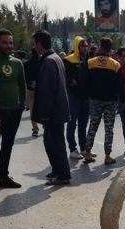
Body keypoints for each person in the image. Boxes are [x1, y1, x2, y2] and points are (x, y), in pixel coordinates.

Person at [0, 29, 26, 193]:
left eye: (10, 42)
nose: (8, 46)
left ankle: (3, 177)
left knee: (8, 145)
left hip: (14, 112)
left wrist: (21, 106)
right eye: (5, 42)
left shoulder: (17, 63)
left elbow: (22, 86)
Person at [31, 30, 71, 186]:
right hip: (58, 108)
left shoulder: (48, 61)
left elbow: (47, 91)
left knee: (55, 143)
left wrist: (44, 114)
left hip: (53, 111)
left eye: (35, 44)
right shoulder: (55, 58)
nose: (34, 47)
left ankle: (63, 175)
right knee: (51, 142)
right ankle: (57, 170)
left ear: (40, 44)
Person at [83, 37, 122, 165]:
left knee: (93, 126)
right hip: (110, 101)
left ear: (100, 46)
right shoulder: (115, 64)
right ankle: (107, 156)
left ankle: (87, 153)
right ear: (110, 48)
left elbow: (86, 82)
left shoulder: (90, 62)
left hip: (95, 100)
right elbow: (119, 85)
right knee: (109, 128)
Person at [63, 36, 89, 160]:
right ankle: (72, 149)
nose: (85, 48)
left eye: (86, 45)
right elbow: (63, 76)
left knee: (83, 124)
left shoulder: (88, 60)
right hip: (73, 97)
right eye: (82, 46)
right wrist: (70, 81)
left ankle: (83, 149)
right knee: (72, 124)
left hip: (85, 97)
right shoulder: (68, 60)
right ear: (77, 47)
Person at [24, 48, 40, 137]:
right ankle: (45, 125)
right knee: (43, 107)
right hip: (41, 89)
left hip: (30, 88)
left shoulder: (27, 64)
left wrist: (30, 82)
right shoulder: (42, 62)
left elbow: (24, 76)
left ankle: (35, 129)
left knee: (32, 109)